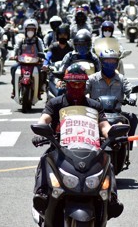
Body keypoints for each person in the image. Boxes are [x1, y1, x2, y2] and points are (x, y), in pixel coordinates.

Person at [32, 64, 124, 219]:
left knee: (108, 162)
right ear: (66, 84)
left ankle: (112, 198)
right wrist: (41, 130)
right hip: (60, 150)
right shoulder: (55, 103)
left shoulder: (94, 106)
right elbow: (44, 119)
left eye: (79, 83)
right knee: (44, 160)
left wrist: (112, 135)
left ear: (85, 85)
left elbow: (104, 125)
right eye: (72, 83)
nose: (76, 86)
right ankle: (42, 194)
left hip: (90, 150)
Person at [86, 49, 138, 149]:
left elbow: (130, 90)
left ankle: (127, 146)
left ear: (117, 62)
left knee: (132, 118)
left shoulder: (121, 78)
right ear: (101, 61)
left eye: (113, 61)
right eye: (107, 61)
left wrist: (132, 98)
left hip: (116, 113)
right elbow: (83, 90)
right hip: (97, 114)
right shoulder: (92, 78)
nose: (110, 63)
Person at [10, 18, 45, 99]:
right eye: (29, 29)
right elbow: (15, 48)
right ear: (25, 30)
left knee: (42, 72)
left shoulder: (38, 40)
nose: (30, 31)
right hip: (22, 62)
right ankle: (14, 89)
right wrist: (13, 55)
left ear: (35, 30)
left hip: (35, 63)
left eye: (32, 29)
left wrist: (43, 57)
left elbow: (42, 50)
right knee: (13, 68)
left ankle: (39, 90)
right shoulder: (21, 40)